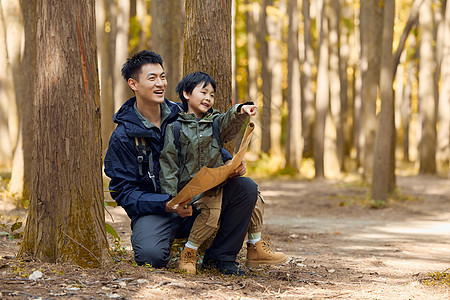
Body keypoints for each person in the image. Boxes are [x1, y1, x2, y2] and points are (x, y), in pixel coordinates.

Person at [104, 50, 258, 276]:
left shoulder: (180, 113)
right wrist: (165, 203)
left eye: (163, 77)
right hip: (156, 210)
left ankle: (220, 257)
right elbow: (123, 191)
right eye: (152, 78)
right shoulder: (123, 136)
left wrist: (229, 163)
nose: (160, 83)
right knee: (151, 256)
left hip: (198, 200)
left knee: (245, 188)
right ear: (133, 84)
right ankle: (172, 242)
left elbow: (206, 141)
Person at [160, 72, 285, 274]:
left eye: (212, 95)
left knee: (252, 192)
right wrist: (171, 198)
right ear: (186, 94)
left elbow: (229, 121)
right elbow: (168, 165)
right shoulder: (175, 128)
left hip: (216, 186)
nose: (208, 98)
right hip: (190, 194)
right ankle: (189, 253)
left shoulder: (216, 123)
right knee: (210, 214)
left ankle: (254, 247)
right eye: (203, 92)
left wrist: (242, 110)